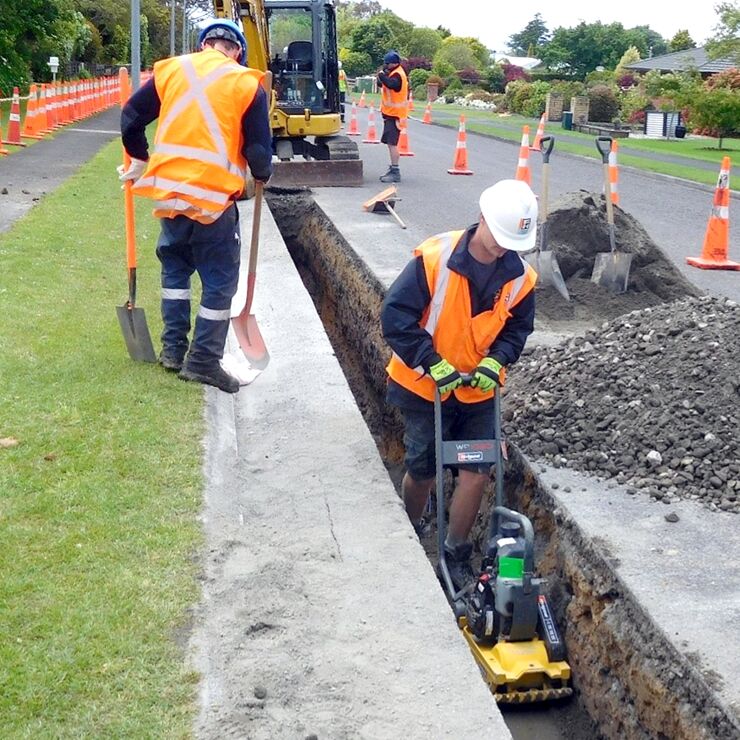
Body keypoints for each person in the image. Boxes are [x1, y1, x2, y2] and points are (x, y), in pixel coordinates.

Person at [380, 180, 538, 591]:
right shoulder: (435, 259)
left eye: (512, 243)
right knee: (424, 466)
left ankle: (454, 551)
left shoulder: (521, 278)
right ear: (482, 217)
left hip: (478, 390)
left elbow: (517, 330)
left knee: (477, 470)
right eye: (500, 238)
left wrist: (496, 360)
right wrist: (432, 363)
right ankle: (410, 529)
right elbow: (395, 318)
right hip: (423, 386)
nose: (503, 249)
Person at [119, 19, 273, 394]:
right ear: (237, 50)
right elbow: (257, 149)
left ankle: (173, 351)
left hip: (170, 194)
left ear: (204, 44)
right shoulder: (245, 82)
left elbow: (130, 117)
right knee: (219, 282)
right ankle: (203, 361)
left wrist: (139, 160)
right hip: (214, 199)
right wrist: (262, 173)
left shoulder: (171, 70)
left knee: (175, 271)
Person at [377, 50, 408, 183]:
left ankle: (395, 171)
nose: (385, 66)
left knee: (392, 144)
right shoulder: (394, 73)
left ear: (393, 63)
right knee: (390, 143)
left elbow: (392, 84)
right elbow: (381, 84)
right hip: (391, 114)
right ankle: (393, 168)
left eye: (387, 64)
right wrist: (382, 77)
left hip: (395, 116)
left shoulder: (398, 75)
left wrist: (381, 74)